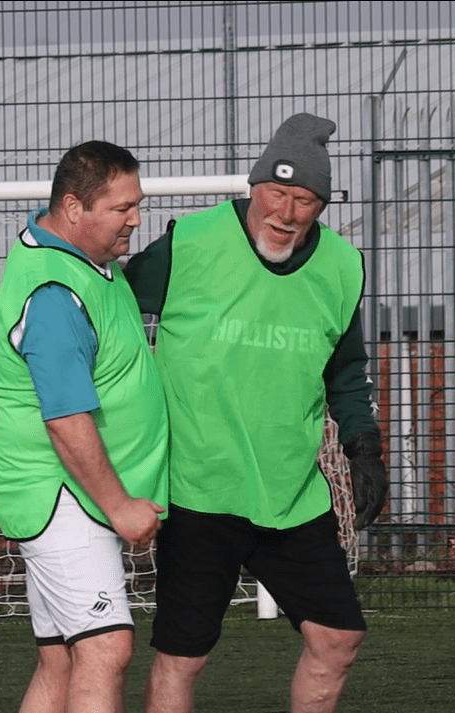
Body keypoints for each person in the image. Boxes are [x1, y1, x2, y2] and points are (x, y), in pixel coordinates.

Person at [122, 113, 387, 713]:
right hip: (200, 488)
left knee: (338, 637)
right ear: (253, 185)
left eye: (304, 200)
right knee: (183, 655)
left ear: (321, 204)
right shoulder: (188, 243)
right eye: (276, 192)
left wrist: (364, 447)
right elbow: (106, 307)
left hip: (291, 492)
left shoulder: (343, 267)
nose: (285, 212)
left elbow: (346, 372)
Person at [0, 140, 169, 712]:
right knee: (106, 648)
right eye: (121, 208)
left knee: (61, 658)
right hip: (65, 496)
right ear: (73, 207)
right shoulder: (57, 293)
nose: (135, 218)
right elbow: (65, 420)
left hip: (65, 494)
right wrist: (120, 506)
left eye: (137, 203)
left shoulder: (81, 260)